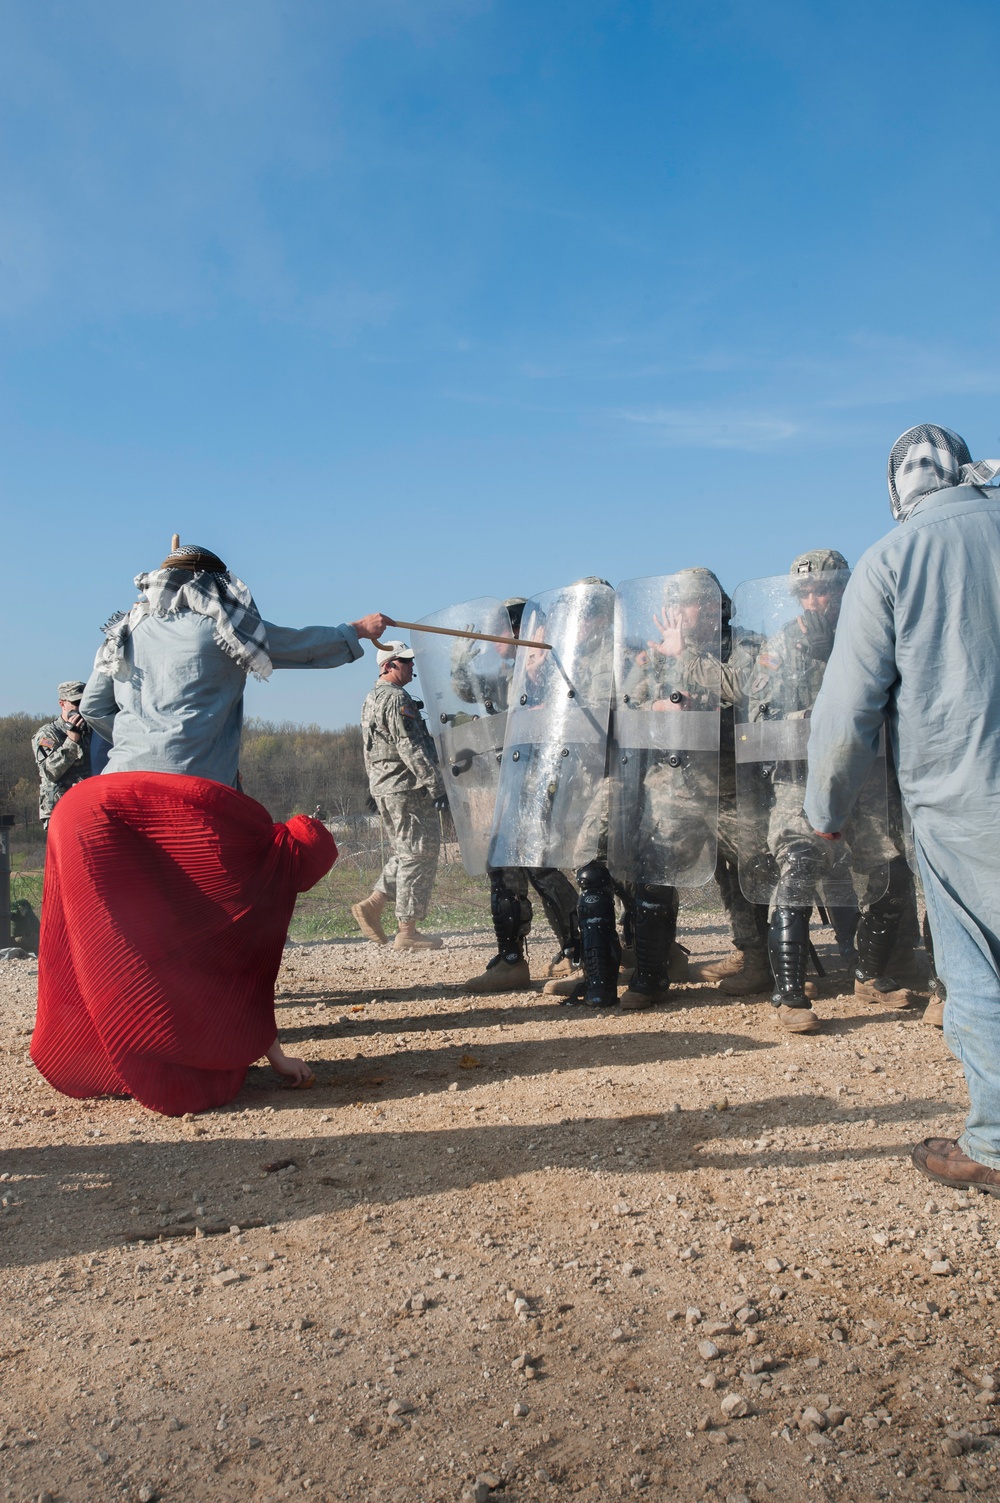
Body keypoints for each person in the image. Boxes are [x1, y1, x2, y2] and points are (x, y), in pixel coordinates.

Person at [33, 540, 390, 1115]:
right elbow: (296, 646)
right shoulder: (222, 626)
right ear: (215, 586)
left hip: (96, 803)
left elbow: (96, 709)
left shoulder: (122, 631)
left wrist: (141, 735)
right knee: (222, 924)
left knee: (122, 931)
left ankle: (109, 1055)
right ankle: (234, 1049)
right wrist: (359, 630)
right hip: (185, 801)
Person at [804, 425, 1000, 1193]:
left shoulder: (893, 558)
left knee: (978, 966)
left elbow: (847, 707)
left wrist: (827, 807)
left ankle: (992, 1139)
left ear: (897, 489)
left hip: (962, 797)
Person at [739, 550, 910, 1034]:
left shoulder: (869, 631)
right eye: (808, 592)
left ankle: (868, 974)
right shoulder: (781, 644)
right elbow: (758, 712)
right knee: (797, 867)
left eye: (827, 590)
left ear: (844, 590)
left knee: (891, 873)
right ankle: (789, 996)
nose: (817, 600)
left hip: (867, 778)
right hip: (800, 778)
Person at [457, 599, 581, 994]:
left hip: (545, 780)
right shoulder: (512, 673)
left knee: (540, 864)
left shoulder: (554, 663)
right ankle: (512, 959)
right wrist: (460, 663)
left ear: (526, 630)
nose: (494, 639)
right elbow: (466, 689)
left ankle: (578, 949)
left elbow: (567, 712)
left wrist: (537, 674)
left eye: (503, 629)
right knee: (504, 861)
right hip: (511, 781)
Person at [353, 641, 447, 952]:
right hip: (407, 787)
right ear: (387, 666)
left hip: (386, 786)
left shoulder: (371, 698)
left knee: (406, 851)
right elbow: (410, 746)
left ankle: (374, 904)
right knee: (420, 852)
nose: (411, 667)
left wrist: (374, 786)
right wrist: (436, 785)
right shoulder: (396, 699)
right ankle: (407, 929)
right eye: (404, 661)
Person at [32, 681, 93, 830]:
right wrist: (72, 740)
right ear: (62, 704)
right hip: (60, 810)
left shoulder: (92, 730)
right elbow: (50, 771)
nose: (80, 707)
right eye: (76, 702)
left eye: (83, 702)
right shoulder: (47, 734)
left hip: (88, 808)